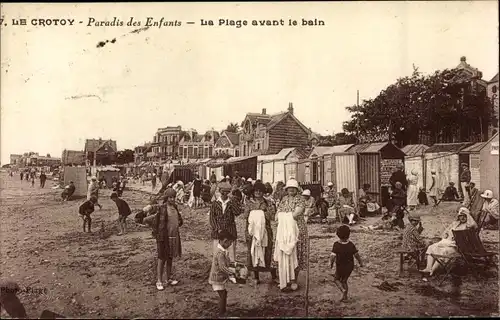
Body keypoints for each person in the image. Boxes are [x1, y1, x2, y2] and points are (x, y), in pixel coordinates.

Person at [419, 207, 477, 276]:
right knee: (431, 247)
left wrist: (468, 215)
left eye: (465, 216)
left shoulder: (468, 225)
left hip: (457, 247)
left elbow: (474, 226)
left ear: (468, 216)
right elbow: (446, 232)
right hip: (447, 242)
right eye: (461, 216)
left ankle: (432, 270)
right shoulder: (455, 223)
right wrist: (446, 234)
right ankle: (428, 268)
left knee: (444, 251)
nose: (462, 218)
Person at [243, 181, 278, 284]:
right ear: (253, 192)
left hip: (266, 231)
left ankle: (273, 275)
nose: (258, 192)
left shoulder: (268, 203)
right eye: (256, 190)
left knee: (268, 251)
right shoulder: (249, 203)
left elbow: (272, 217)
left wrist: (265, 211)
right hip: (252, 231)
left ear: (263, 192)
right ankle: (256, 277)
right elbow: (245, 217)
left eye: (260, 191)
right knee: (253, 252)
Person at [275, 178, 307, 292]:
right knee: (285, 254)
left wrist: (286, 216)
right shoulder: (284, 199)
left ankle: (294, 280)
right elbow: (278, 211)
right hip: (284, 230)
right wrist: (279, 216)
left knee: (295, 253)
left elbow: (297, 213)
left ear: (297, 189)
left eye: (293, 188)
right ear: (287, 189)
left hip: (297, 229)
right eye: (289, 189)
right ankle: (285, 279)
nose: (291, 190)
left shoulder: (300, 199)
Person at [153, 188, 183, 290]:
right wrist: (159, 236)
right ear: (166, 198)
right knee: (162, 258)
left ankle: (168, 278)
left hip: (174, 236)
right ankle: (159, 280)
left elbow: (179, 220)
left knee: (170, 258)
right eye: (170, 197)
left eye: (173, 197)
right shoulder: (162, 208)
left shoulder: (175, 207)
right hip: (164, 237)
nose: (172, 199)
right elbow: (158, 223)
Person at [329, 225, 363, 302]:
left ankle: (342, 290)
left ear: (337, 234)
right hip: (350, 266)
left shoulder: (336, 245)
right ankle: (345, 297)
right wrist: (360, 262)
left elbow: (332, 256)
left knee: (336, 279)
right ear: (348, 235)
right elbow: (356, 255)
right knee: (344, 281)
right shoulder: (351, 244)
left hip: (340, 266)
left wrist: (331, 264)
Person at [209, 182, 241, 262]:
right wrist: (218, 229)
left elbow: (237, 212)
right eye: (223, 191)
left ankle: (230, 273)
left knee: (231, 256)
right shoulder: (215, 203)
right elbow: (212, 218)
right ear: (220, 191)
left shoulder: (231, 202)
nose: (225, 194)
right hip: (218, 233)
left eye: (227, 192)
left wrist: (233, 201)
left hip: (230, 232)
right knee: (217, 255)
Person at [209, 230, 237, 318]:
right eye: (230, 243)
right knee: (223, 295)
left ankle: (223, 311)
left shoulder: (221, 250)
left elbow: (226, 262)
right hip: (217, 278)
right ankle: (221, 313)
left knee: (223, 293)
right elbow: (222, 267)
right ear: (225, 241)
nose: (230, 245)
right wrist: (232, 273)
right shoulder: (220, 253)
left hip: (218, 277)